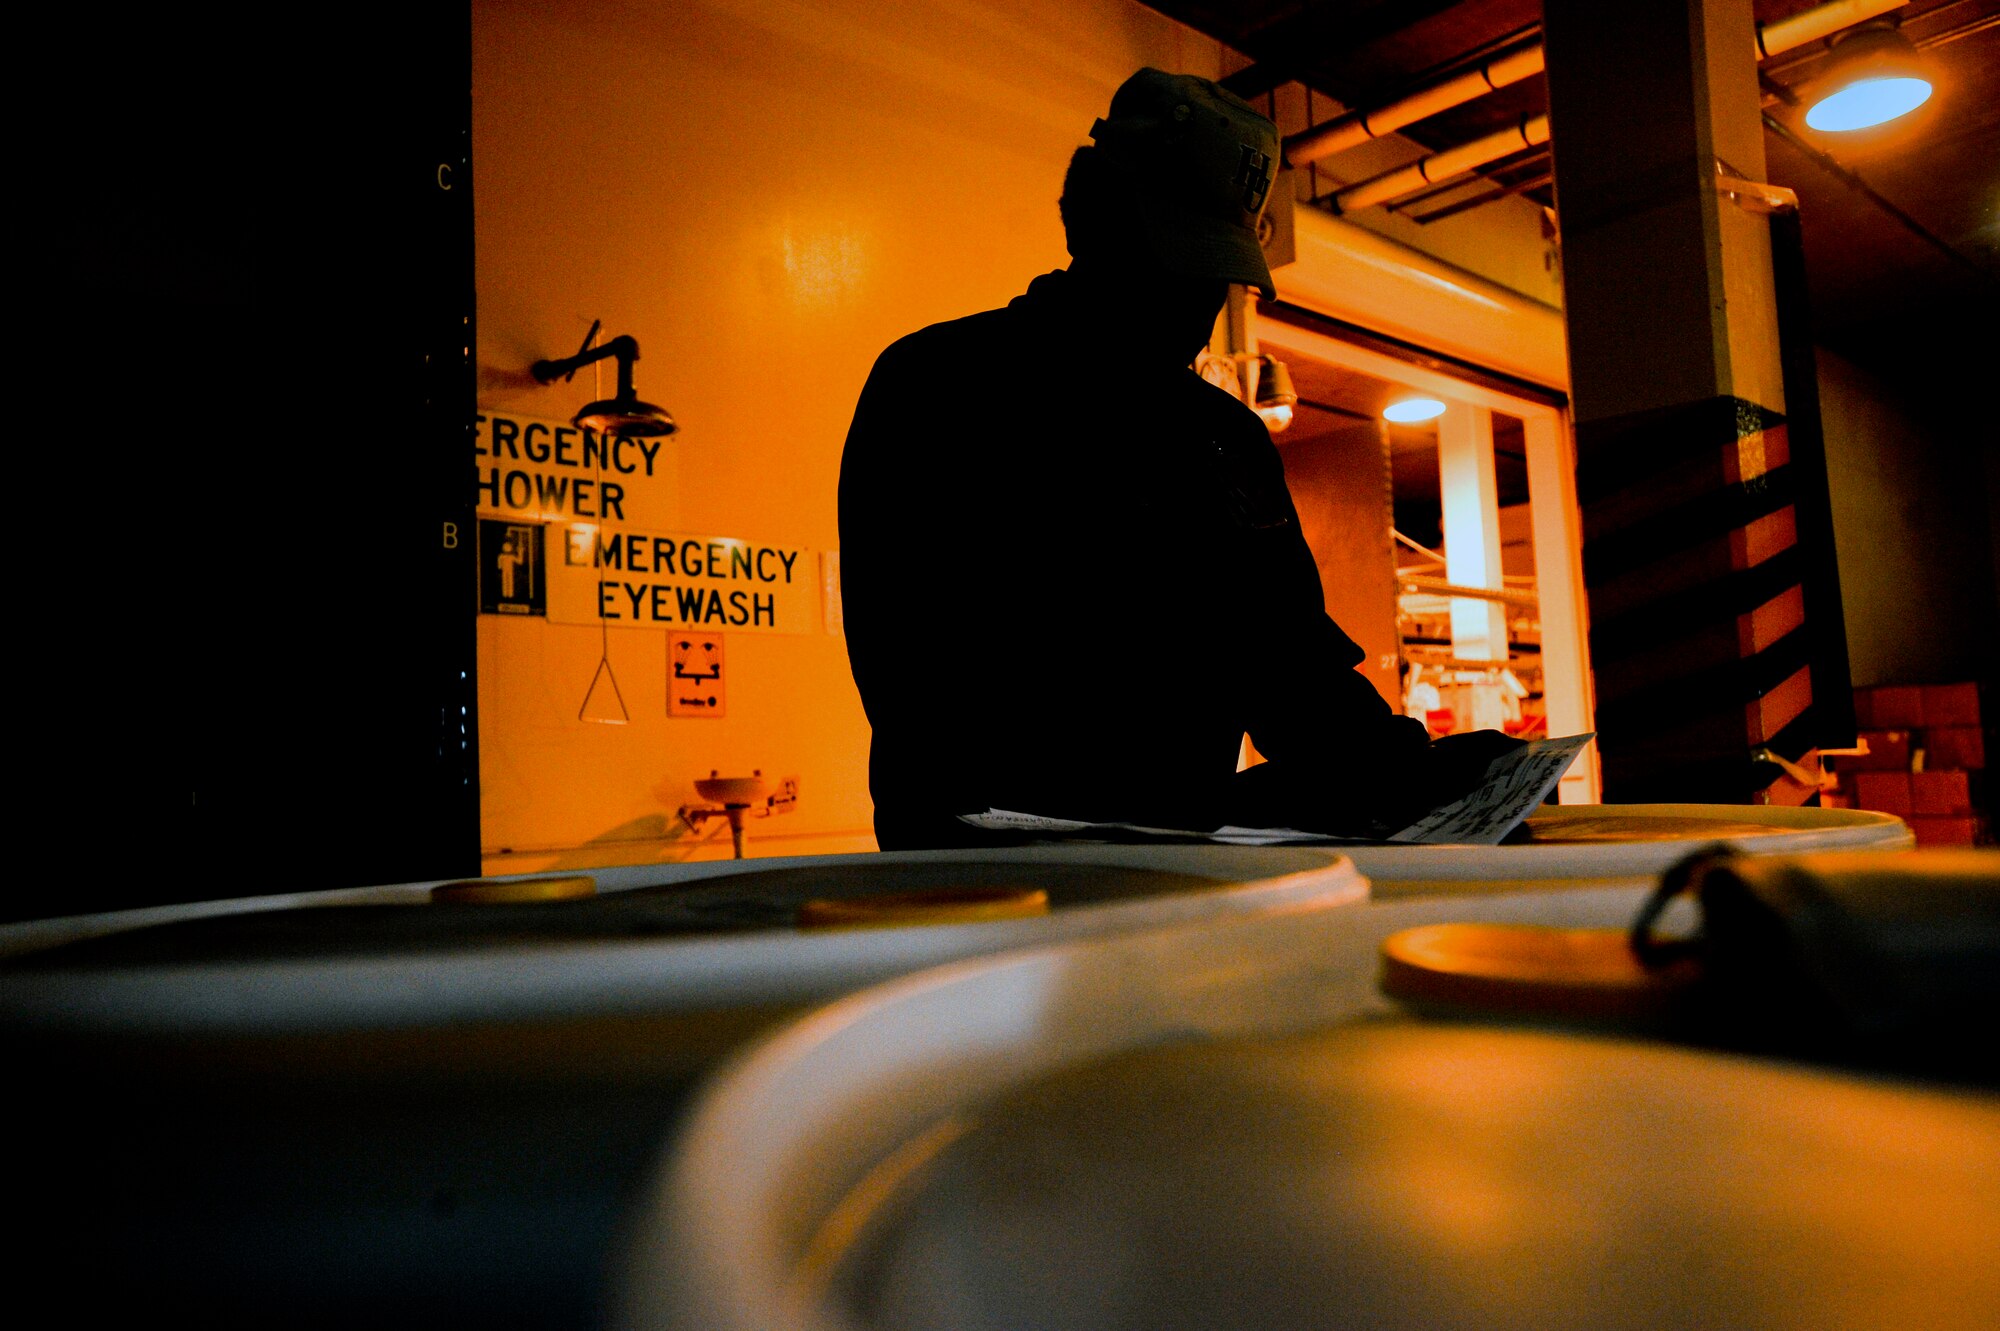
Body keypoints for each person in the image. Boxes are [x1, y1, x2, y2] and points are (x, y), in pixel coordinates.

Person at [839, 68, 1519, 850]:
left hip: (1179, 875)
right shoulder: (941, 392)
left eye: (1214, 274)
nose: (1196, 307)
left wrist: (1406, 768)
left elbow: (1290, 666)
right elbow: (924, 691)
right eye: (1170, 262)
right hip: (979, 887)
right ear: (1088, 221)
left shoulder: (1226, 441)